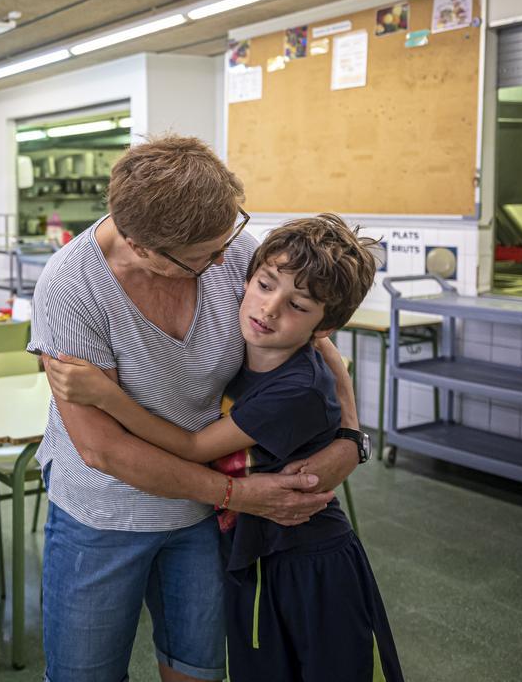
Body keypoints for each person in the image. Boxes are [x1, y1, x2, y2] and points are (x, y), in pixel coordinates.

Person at [26, 135, 361, 682]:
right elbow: (101, 447)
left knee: (196, 669)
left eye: (228, 237)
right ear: (142, 248)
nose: (228, 257)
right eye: (208, 256)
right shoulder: (71, 289)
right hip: (106, 514)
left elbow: (319, 341)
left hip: (203, 516)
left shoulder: (224, 246)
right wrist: (240, 494)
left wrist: (351, 437)